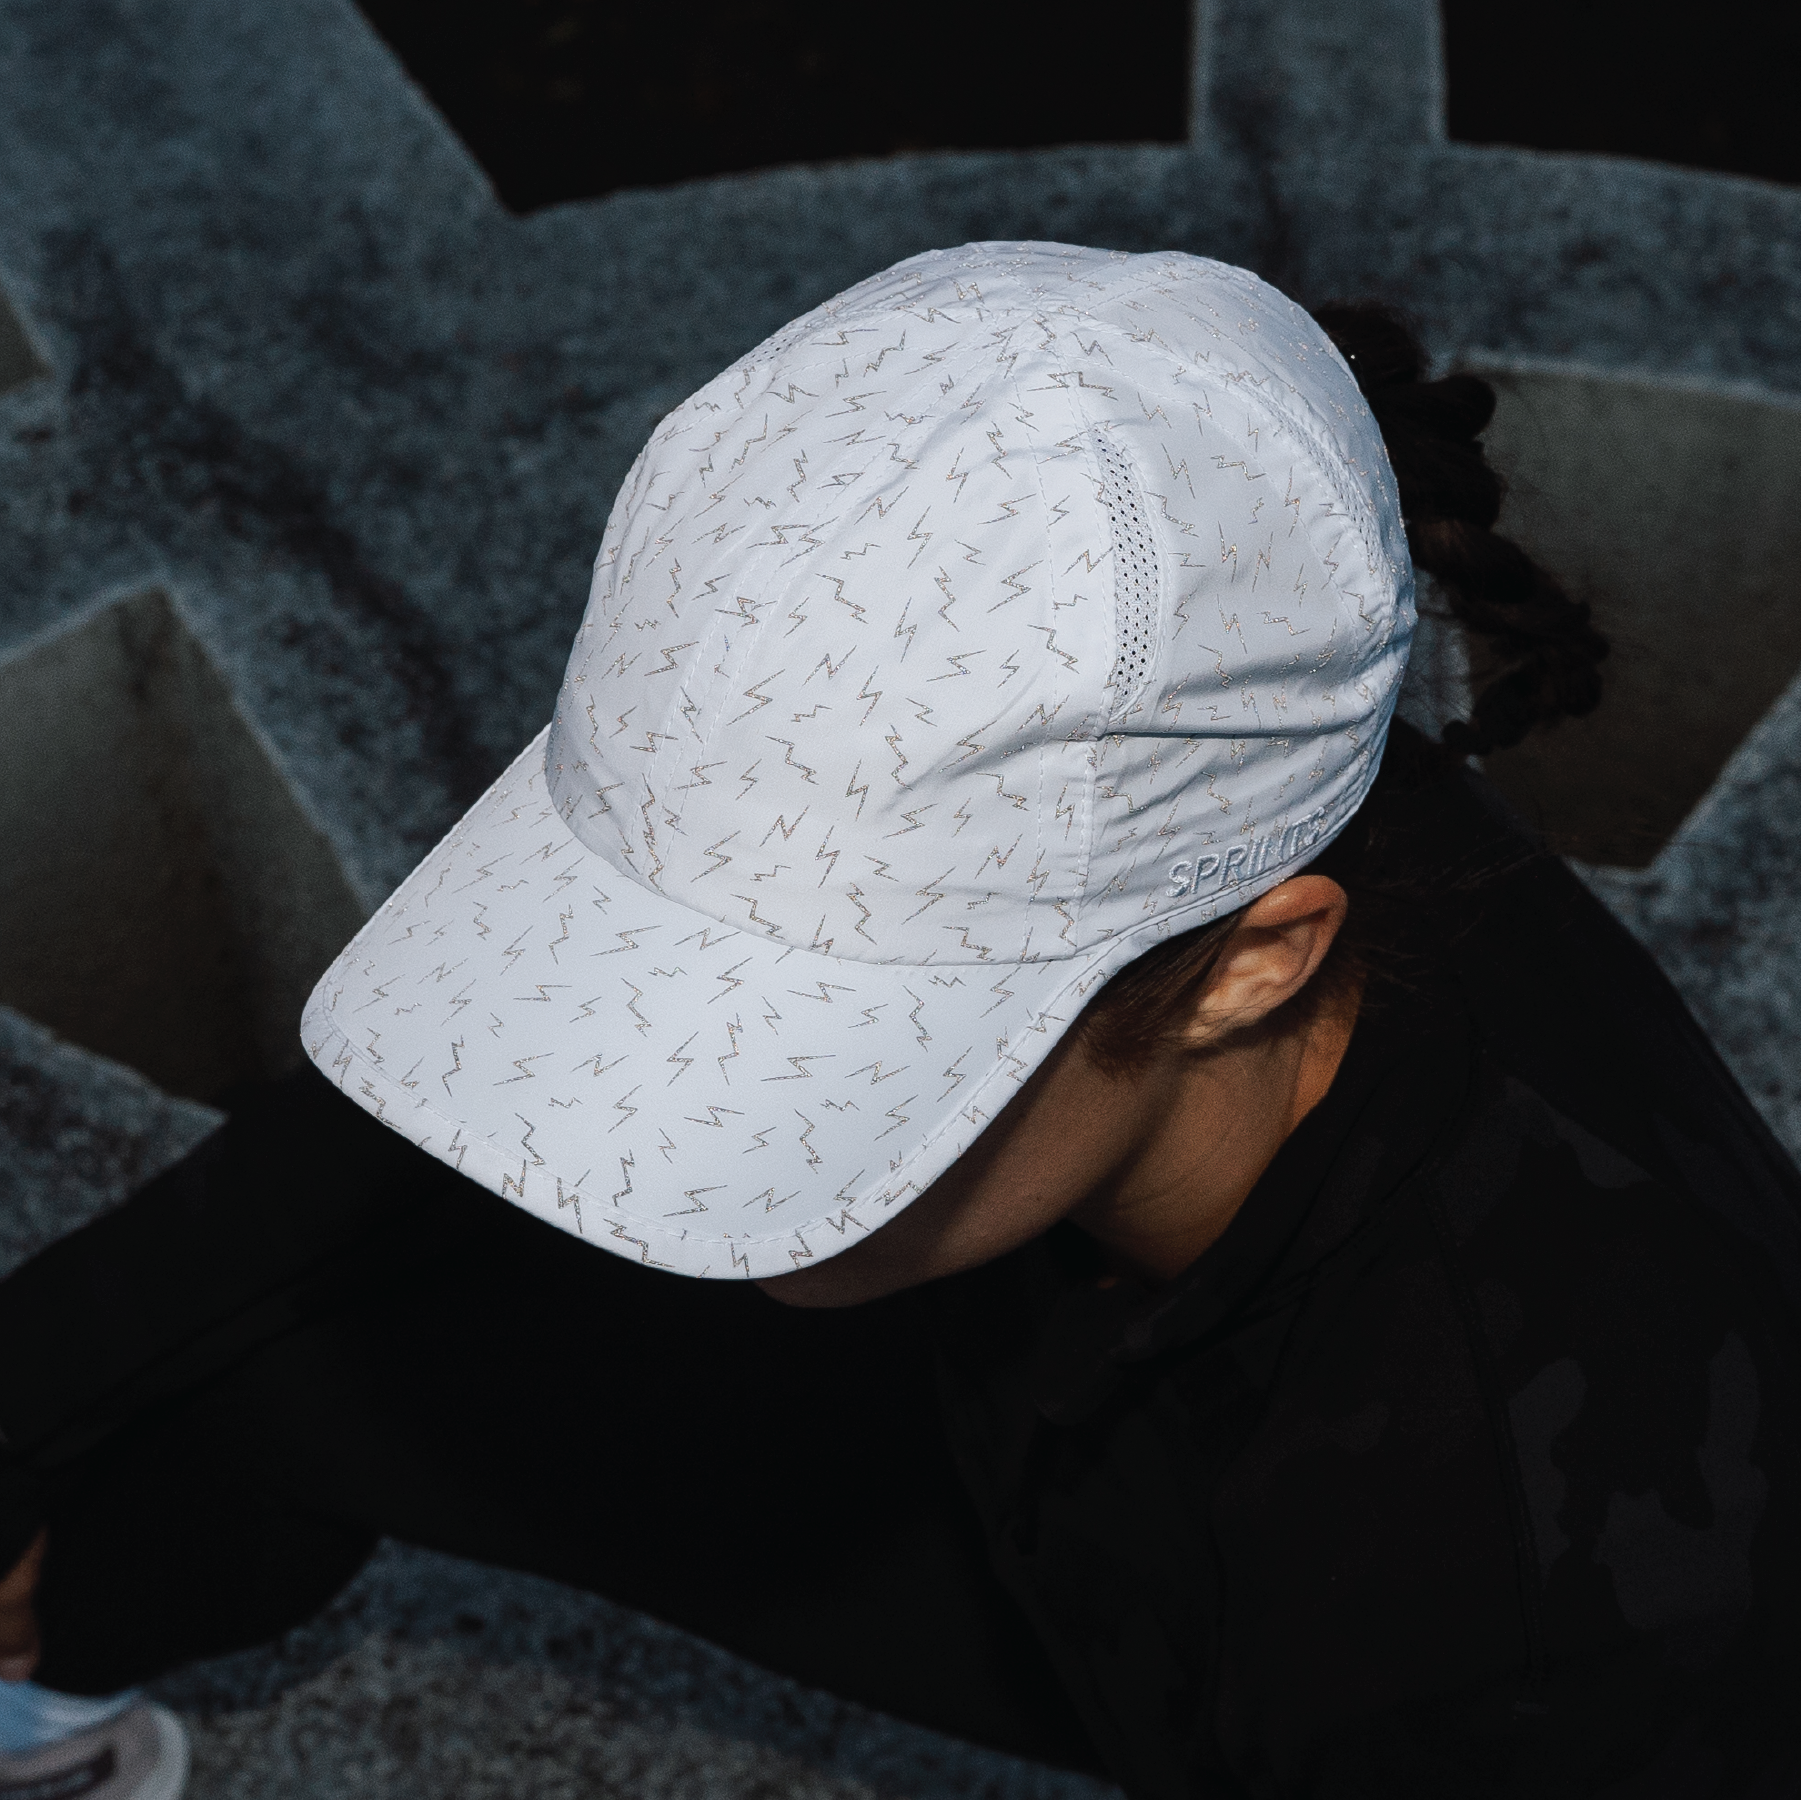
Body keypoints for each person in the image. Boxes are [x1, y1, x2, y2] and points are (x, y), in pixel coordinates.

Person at [0, 243, 1795, 1800]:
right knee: (269, 1340)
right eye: (660, 955)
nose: (671, 1110)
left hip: (1246, 1630)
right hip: (1046, 1416)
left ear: (1253, 964)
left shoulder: (1557, 1613)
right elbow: (389, 1128)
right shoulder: (1188, 775)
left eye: (842, 1053)